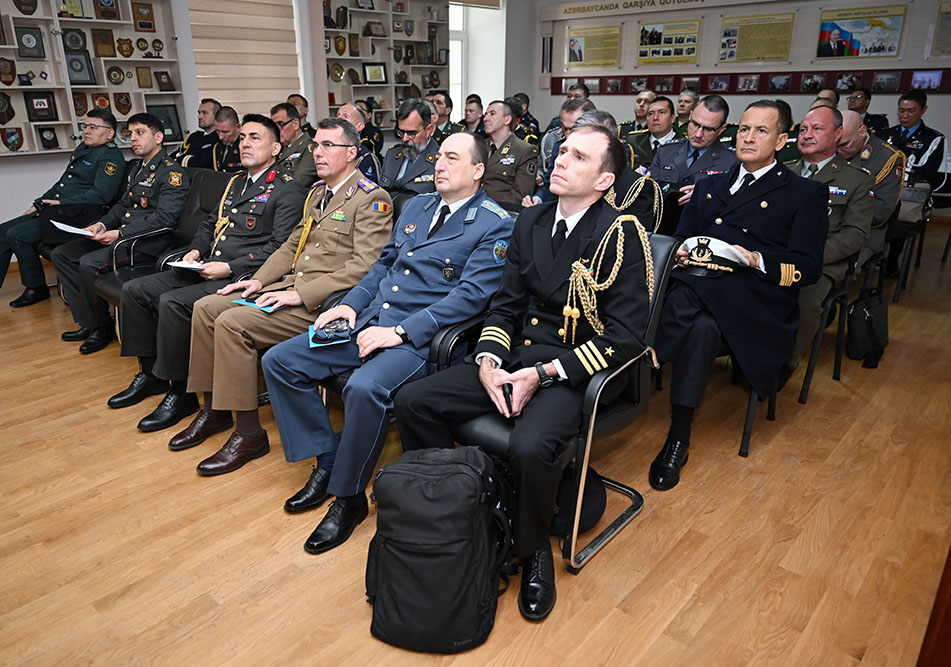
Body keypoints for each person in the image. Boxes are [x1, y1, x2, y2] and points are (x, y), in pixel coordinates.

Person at [394, 125, 648, 622]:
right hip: (510, 357)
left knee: (530, 446)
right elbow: (505, 306)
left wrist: (546, 373)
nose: (559, 160)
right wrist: (488, 362)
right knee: (413, 402)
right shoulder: (530, 220)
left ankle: (534, 552)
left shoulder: (621, 235)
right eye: (562, 151)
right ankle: (461, 500)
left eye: (578, 157)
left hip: (568, 369)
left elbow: (626, 337)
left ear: (603, 181)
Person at [262, 131, 513, 554]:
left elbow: (470, 297)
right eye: (438, 157)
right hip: (371, 320)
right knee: (281, 360)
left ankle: (348, 497)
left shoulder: (495, 223)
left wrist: (398, 332)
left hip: (419, 341)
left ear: (477, 170)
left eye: (452, 158)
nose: (439, 164)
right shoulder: (417, 205)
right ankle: (327, 460)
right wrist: (353, 306)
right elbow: (384, 264)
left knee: (364, 387)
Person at [171, 118, 393, 475]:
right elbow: (292, 246)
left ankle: (248, 433)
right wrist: (257, 281)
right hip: (288, 287)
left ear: (351, 153)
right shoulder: (318, 193)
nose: (317, 153)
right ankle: (213, 408)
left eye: (328, 146)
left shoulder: (372, 199)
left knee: (231, 323)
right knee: (206, 308)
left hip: (323, 303)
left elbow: (365, 266)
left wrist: (299, 295)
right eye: (316, 146)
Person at [650, 100, 828, 491]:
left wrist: (756, 259)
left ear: (782, 140)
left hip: (755, 301)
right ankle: (679, 437)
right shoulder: (711, 185)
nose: (748, 138)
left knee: (694, 299)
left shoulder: (804, 193)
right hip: (703, 296)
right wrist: (679, 250)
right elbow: (683, 238)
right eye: (744, 129)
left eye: (761, 131)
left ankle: (646, 355)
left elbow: (809, 267)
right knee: (700, 327)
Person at [107, 114, 306, 432]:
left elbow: (281, 249)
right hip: (206, 265)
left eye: (255, 138)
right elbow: (209, 224)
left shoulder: (288, 190)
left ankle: (180, 392)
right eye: (242, 138)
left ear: (276, 148)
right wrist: (197, 250)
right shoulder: (236, 183)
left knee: (173, 303)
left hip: (239, 275)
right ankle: (150, 375)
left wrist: (229, 267)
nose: (245, 144)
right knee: (136, 290)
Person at [50, 113, 191, 354]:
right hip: (124, 237)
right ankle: (89, 319)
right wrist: (102, 225)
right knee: (63, 254)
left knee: (88, 264)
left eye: (140, 133)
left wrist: (120, 233)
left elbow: (165, 218)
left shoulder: (171, 172)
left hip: (147, 243)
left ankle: (99, 328)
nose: (133, 139)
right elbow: (122, 206)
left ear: (158, 137)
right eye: (130, 134)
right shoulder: (138, 168)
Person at [782, 106, 874, 376]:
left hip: (822, 259)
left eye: (817, 129)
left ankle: (788, 359)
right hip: (776, 252)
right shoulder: (782, 171)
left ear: (838, 134)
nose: (807, 135)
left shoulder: (856, 180)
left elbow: (856, 234)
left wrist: (809, 255)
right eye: (803, 130)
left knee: (805, 300)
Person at [1, 110, 125, 307]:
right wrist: (39, 202)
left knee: (17, 234)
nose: (87, 131)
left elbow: (101, 195)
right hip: (58, 211)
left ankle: (36, 287)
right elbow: (62, 185)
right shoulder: (83, 149)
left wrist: (61, 204)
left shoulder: (111, 157)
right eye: (85, 126)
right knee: (3, 231)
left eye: (93, 127)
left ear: (110, 133)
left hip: (78, 215)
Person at [649, 95, 738, 235]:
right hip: (663, 233)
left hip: (703, 238)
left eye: (708, 129)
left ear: (722, 129)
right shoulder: (666, 151)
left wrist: (705, 194)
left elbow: (735, 208)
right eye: (695, 124)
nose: (698, 134)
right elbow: (651, 195)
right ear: (690, 116)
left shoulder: (732, 161)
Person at [837, 109, 906, 254]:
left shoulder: (888, 158)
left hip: (862, 231)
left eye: (844, 144)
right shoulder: (830, 146)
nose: (837, 150)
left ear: (862, 132)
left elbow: (880, 212)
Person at [526, 99, 595, 206]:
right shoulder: (559, 146)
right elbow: (550, 184)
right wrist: (538, 199)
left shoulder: (602, 151)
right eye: (563, 128)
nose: (567, 135)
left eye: (573, 129)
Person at [379, 98, 439, 216]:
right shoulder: (392, 155)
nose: (405, 139)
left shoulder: (440, 159)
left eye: (411, 133)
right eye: (401, 132)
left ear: (428, 130)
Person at [481, 99, 538, 211]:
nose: (485, 119)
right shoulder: (480, 146)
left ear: (507, 120)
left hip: (503, 212)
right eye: (485, 114)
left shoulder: (524, 150)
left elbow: (520, 195)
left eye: (492, 114)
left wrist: (488, 206)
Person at [883, 89, 944, 189]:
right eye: (901, 111)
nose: (905, 116)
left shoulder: (933, 139)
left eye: (911, 111)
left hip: (911, 190)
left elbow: (929, 173)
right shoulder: (884, 134)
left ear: (923, 109)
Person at [270, 102, 318, 188]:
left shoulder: (309, 148)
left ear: (295, 124)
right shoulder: (277, 148)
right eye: (274, 126)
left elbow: (298, 181)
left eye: (281, 124)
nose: (276, 130)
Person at [625, 96, 678, 169]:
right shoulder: (634, 140)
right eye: (650, 114)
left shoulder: (683, 145)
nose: (655, 117)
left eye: (662, 112)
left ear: (672, 118)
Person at [336, 103, 382, 183]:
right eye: (338, 115)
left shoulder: (365, 158)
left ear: (359, 126)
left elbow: (368, 193)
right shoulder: (330, 150)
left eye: (345, 116)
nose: (339, 119)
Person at [173, 98, 222, 168]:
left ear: (217, 116)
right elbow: (172, 156)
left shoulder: (220, 137)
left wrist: (180, 158)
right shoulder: (194, 136)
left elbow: (202, 162)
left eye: (204, 113)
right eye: (199, 113)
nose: (199, 117)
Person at [213, 106, 242, 173]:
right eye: (217, 131)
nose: (220, 137)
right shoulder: (217, 147)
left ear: (238, 127)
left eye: (225, 132)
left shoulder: (245, 147)